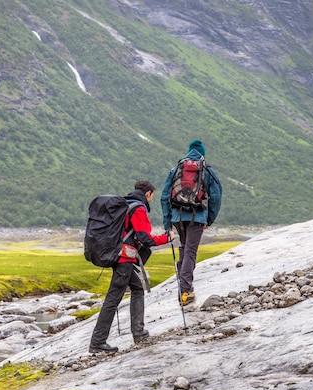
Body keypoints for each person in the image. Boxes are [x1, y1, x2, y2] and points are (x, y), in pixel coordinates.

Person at [89, 180, 175, 354]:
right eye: (152, 196)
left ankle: (139, 332)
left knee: (137, 289)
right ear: (148, 194)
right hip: (125, 259)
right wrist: (166, 239)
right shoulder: (138, 208)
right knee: (113, 300)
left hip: (117, 255)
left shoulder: (125, 204)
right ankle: (98, 342)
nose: (151, 200)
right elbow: (146, 238)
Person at [161, 140, 222, 306]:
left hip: (177, 218)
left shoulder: (176, 170)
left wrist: (167, 222)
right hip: (197, 217)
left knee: (184, 247)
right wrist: (209, 219)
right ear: (202, 153)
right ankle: (185, 291)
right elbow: (216, 197)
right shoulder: (206, 170)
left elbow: (164, 196)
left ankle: (184, 288)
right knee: (190, 251)